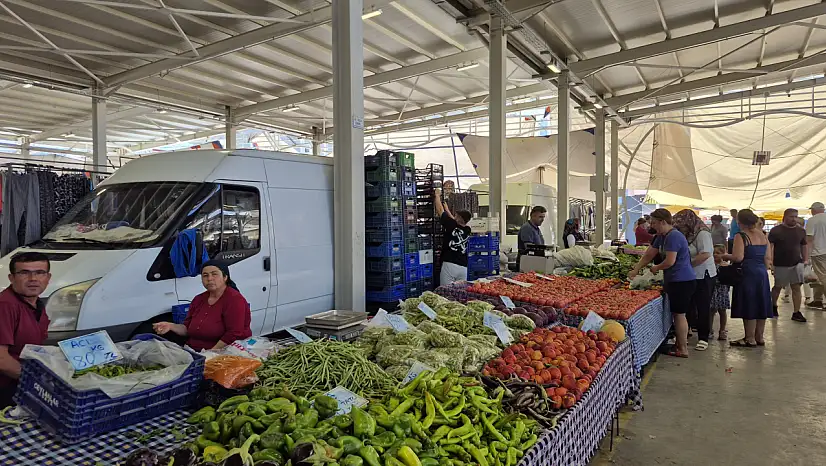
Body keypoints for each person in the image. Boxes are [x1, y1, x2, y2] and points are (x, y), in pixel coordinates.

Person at [628, 208, 696, 357]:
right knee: (677, 313)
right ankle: (679, 344)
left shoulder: (674, 236)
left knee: (679, 314)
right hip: (674, 279)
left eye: (654, 223)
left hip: (682, 280)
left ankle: (682, 349)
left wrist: (656, 268)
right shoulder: (662, 236)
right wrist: (636, 269)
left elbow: (670, 261)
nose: (652, 226)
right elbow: (649, 254)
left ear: (663, 222)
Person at [154, 261, 251, 351]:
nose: (209, 278)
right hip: (193, 350)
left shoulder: (234, 299)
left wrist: (210, 354)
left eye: (214, 274)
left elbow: (234, 334)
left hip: (224, 352)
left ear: (225, 277)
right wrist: (170, 326)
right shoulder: (198, 299)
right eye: (205, 275)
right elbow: (187, 329)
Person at [0, 252, 51, 408]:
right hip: (6, 389)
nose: (33, 279)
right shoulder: (5, 306)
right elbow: (1, 360)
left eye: (40, 273)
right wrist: (38, 383)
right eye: (24, 273)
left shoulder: (35, 303)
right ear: (11, 278)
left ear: (48, 277)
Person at [722, 209, 772, 348]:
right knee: (761, 302)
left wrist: (724, 256)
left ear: (740, 221)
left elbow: (738, 257)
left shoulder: (741, 235)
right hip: (761, 272)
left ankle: (749, 338)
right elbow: (768, 258)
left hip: (747, 272)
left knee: (749, 303)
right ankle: (759, 337)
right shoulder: (763, 235)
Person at [673, 209, 717, 351]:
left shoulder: (702, 233)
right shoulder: (686, 234)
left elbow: (705, 254)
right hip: (689, 275)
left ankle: (703, 337)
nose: (680, 227)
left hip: (703, 275)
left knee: (702, 306)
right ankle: (687, 332)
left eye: (682, 224)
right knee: (688, 305)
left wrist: (685, 264)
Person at [767, 208, 808, 323]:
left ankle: (796, 312)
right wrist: (770, 261)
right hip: (780, 263)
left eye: (796, 216)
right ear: (785, 217)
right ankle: (773, 306)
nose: (794, 219)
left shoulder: (801, 231)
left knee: (796, 287)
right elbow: (770, 246)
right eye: (791, 216)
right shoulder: (776, 231)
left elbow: (804, 245)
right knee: (778, 286)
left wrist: (805, 260)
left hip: (797, 263)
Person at [433, 188, 472, 284]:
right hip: (463, 267)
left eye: (456, 215)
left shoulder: (451, 225)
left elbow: (439, 210)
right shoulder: (467, 230)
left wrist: (437, 195)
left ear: (459, 218)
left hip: (450, 264)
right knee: (460, 290)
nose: (455, 216)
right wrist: (447, 209)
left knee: (446, 290)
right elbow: (455, 220)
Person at [806, 201, 826, 310]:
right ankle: (818, 300)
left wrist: (807, 256)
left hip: (818, 252)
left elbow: (809, 239)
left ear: (814, 210)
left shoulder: (812, 220)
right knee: (818, 277)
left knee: (822, 277)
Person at [517, 206, 546, 271]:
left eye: (543, 217)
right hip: (526, 262)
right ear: (533, 216)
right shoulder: (527, 228)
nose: (543, 219)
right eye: (540, 217)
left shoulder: (536, 228)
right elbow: (529, 248)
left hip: (534, 260)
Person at [711, 245, 730, 340]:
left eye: (718, 253)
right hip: (712, 290)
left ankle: (722, 330)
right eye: (713, 253)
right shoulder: (710, 265)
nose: (715, 255)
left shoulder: (725, 266)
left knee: (722, 311)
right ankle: (709, 330)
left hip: (722, 290)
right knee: (711, 311)